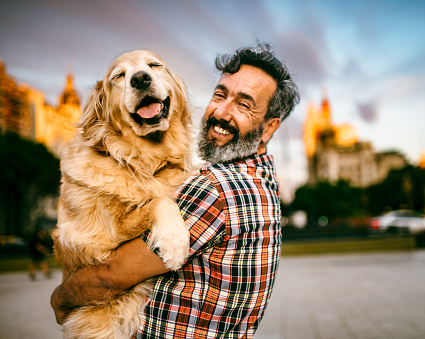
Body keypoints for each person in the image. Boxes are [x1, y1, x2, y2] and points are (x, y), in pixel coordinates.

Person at [51, 42, 300, 338]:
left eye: (244, 104)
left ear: (270, 128)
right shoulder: (263, 180)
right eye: (220, 94)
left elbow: (108, 276)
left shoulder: (213, 190)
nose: (221, 111)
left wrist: (60, 298)